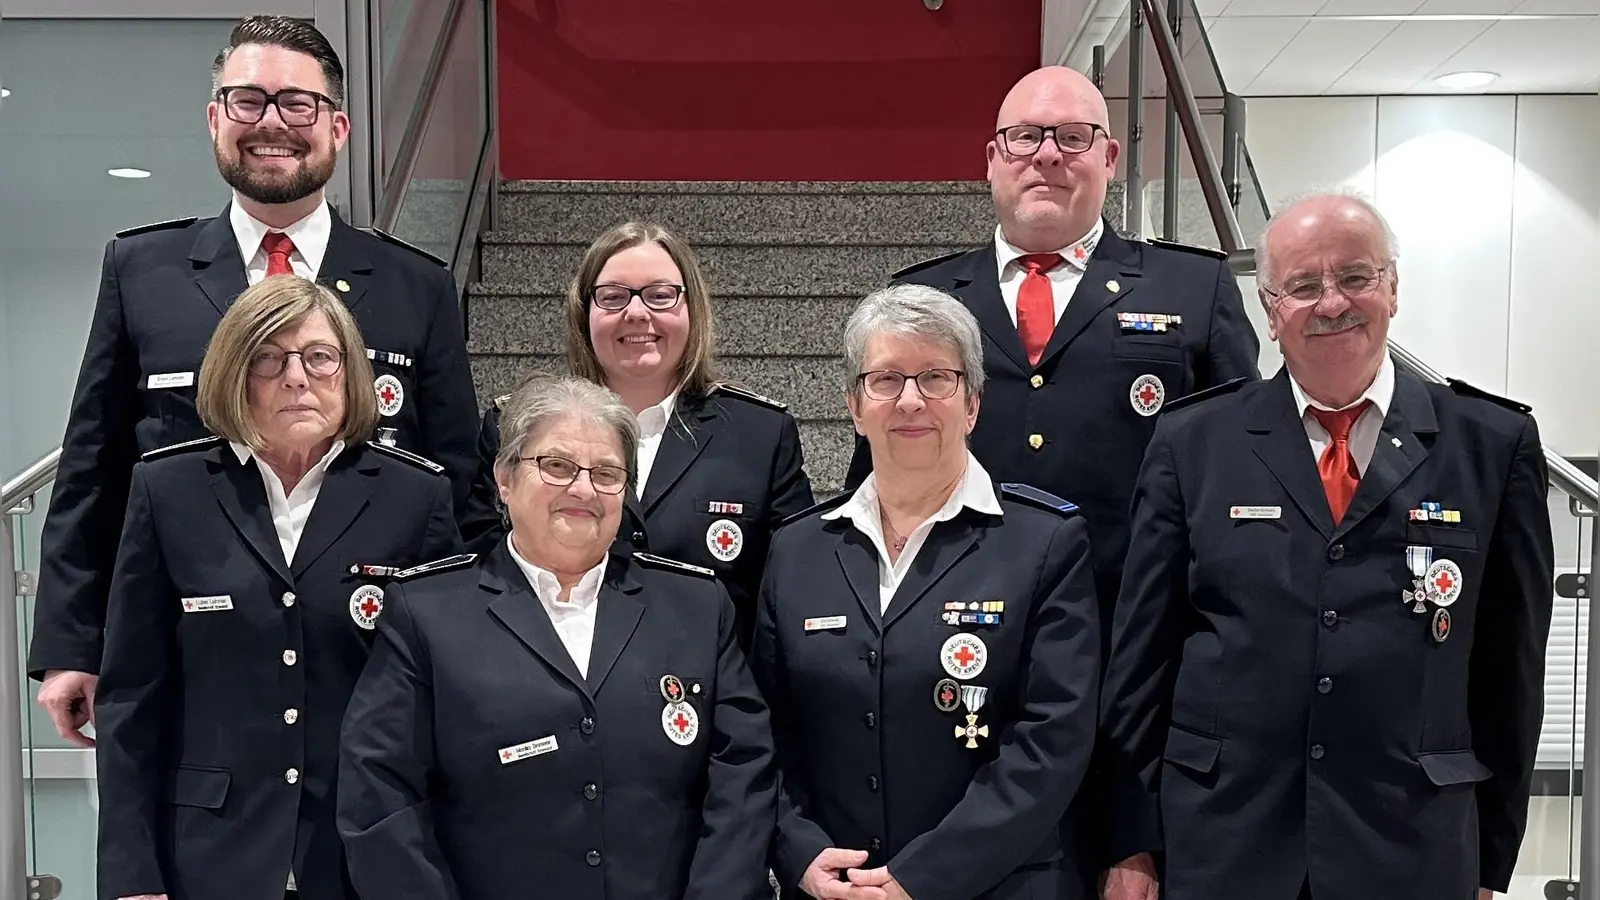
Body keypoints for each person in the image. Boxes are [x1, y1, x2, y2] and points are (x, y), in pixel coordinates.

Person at [29, 14, 479, 752]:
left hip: (360, 658)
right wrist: (71, 643)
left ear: (338, 128)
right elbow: (93, 470)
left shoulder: (414, 286)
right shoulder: (144, 272)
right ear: (215, 120)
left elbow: (457, 479)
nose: (272, 123)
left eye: (298, 104)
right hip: (177, 652)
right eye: (248, 101)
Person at [1099, 192, 1554, 900]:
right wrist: (1129, 840)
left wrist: (1490, 860)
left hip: (1411, 844)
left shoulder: (1491, 446)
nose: (1332, 302)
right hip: (1225, 838)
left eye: (1356, 276)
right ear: (1271, 311)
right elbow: (1142, 658)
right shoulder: (1194, 443)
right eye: (1304, 286)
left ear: (1394, 289)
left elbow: (1511, 675)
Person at [846, 65, 1261, 627]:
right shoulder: (922, 297)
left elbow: (1242, 468)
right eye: (1026, 136)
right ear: (993, 158)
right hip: (950, 622)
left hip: (1134, 630)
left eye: (1073, 137)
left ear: (1110, 158)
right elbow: (876, 470)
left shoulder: (1193, 288)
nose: (1047, 155)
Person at [93, 276, 464, 900]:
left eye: (320, 357)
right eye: (269, 357)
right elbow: (132, 696)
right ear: (235, 373)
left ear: (350, 373)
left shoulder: (416, 497)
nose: (297, 377)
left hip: (366, 855)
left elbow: (446, 697)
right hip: (209, 852)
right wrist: (133, 873)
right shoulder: (168, 492)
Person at [338, 375, 776, 900]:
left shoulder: (697, 609)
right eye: (558, 466)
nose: (584, 489)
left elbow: (742, 777)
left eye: (608, 473)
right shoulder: (426, 613)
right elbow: (380, 793)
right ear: (504, 478)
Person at [756, 284, 1101, 900]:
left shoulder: (1044, 543)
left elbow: (1052, 741)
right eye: (885, 379)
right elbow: (767, 728)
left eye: (936, 377)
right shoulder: (797, 550)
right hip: (836, 888)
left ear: (972, 403)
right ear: (854, 407)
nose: (910, 400)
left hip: (996, 885)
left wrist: (923, 877)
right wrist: (798, 850)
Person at [460, 221, 814, 644]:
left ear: (692, 308)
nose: (637, 313)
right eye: (612, 297)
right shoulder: (514, 426)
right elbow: (480, 577)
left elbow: (790, 595)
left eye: (660, 295)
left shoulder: (760, 436)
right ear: (583, 312)